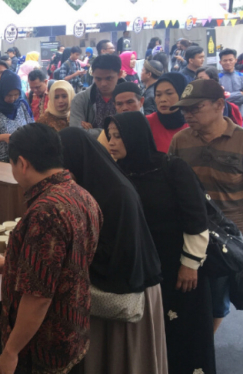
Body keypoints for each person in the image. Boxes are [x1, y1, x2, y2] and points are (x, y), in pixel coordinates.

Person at [0, 124, 102, 374]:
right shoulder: (83, 195)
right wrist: (12, 263)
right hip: (74, 328)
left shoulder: (45, 213)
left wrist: (10, 352)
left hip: (42, 344)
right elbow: (69, 262)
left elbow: (38, 299)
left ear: (22, 164)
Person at [105, 112, 215, 374]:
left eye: (118, 136)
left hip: (179, 268)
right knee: (155, 334)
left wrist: (190, 264)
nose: (111, 142)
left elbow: (197, 220)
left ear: (136, 136)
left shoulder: (172, 168)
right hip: (145, 271)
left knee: (184, 332)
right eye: (109, 136)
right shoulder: (118, 172)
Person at [59, 128, 167, 374]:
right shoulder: (95, 184)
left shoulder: (117, 193)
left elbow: (119, 254)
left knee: (123, 361)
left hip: (127, 294)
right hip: (110, 289)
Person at [169, 79, 243, 332]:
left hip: (229, 238)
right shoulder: (180, 141)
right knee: (188, 297)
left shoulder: (241, 141)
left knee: (218, 300)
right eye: (184, 109)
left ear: (219, 104)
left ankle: (205, 350)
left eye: (195, 108)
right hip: (192, 233)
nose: (187, 114)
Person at [70, 54, 122, 132]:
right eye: (98, 79)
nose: (103, 83)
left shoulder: (130, 97)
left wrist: (91, 131)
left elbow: (133, 131)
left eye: (109, 78)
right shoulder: (80, 100)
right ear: (93, 75)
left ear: (119, 75)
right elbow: (77, 133)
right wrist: (117, 132)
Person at [146, 73, 189, 153]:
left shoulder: (193, 123)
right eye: (158, 95)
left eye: (169, 93)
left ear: (182, 94)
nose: (162, 99)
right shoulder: (146, 123)